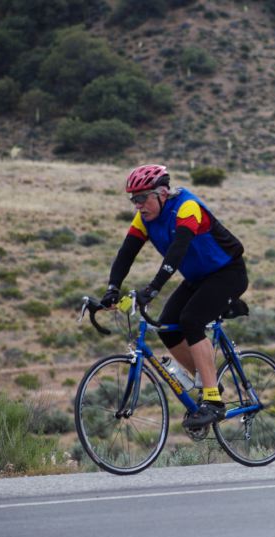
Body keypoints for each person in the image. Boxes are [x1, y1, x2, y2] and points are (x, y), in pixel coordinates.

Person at [100, 164, 248, 429]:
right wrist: (112, 287)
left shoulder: (187, 207)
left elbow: (177, 252)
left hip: (228, 273)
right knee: (167, 326)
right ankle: (208, 380)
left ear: (162, 193)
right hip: (198, 278)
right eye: (133, 199)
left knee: (191, 320)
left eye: (142, 197)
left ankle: (213, 401)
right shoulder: (144, 218)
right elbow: (126, 253)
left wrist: (153, 288)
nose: (138, 205)